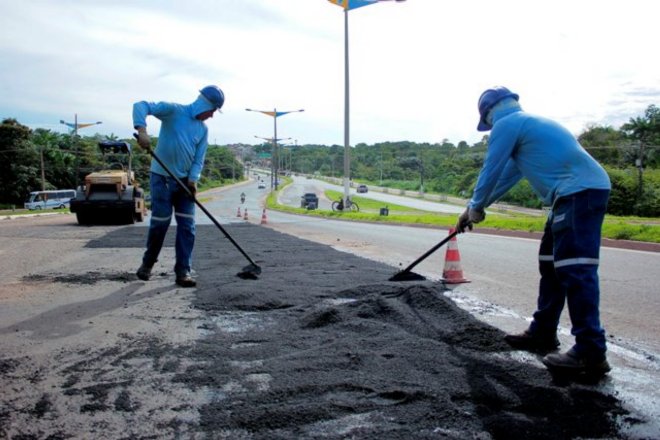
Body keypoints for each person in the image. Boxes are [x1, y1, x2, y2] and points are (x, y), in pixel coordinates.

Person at [456, 86, 612, 375]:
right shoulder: (527, 126)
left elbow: (490, 169)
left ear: (488, 113)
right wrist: (472, 209)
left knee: (575, 269)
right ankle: (543, 331)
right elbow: (505, 176)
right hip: (569, 196)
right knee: (551, 265)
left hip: (579, 193)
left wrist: (475, 206)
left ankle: (591, 351)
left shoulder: (507, 125)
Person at [134, 85, 225, 287]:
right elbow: (140, 105)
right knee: (161, 223)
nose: (211, 116)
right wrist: (141, 129)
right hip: (162, 179)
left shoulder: (203, 129)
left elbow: (198, 159)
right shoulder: (173, 111)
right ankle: (147, 264)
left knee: (187, 227)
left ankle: (183, 271)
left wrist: (193, 180)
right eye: (212, 110)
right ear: (205, 104)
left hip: (184, 183)